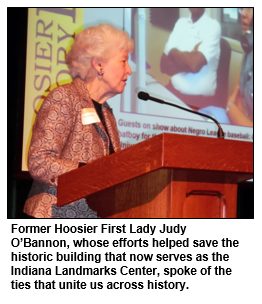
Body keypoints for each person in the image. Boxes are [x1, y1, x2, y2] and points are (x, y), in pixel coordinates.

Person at [23, 24, 133, 218]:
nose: (129, 70)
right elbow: (39, 161)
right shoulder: (65, 97)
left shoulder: (107, 113)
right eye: (123, 61)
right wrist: (88, 172)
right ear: (99, 64)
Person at [160, 8, 221, 109]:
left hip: (198, 102)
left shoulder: (213, 26)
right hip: (172, 92)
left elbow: (194, 65)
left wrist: (172, 51)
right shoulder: (180, 23)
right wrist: (190, 57)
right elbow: (163, 65)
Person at [227, 8, 253, 127]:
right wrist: (233, 108)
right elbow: (236, 94)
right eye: (243, 7)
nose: (243, 13)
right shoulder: (249, 49)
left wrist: (231, 109)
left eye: (250, 8)